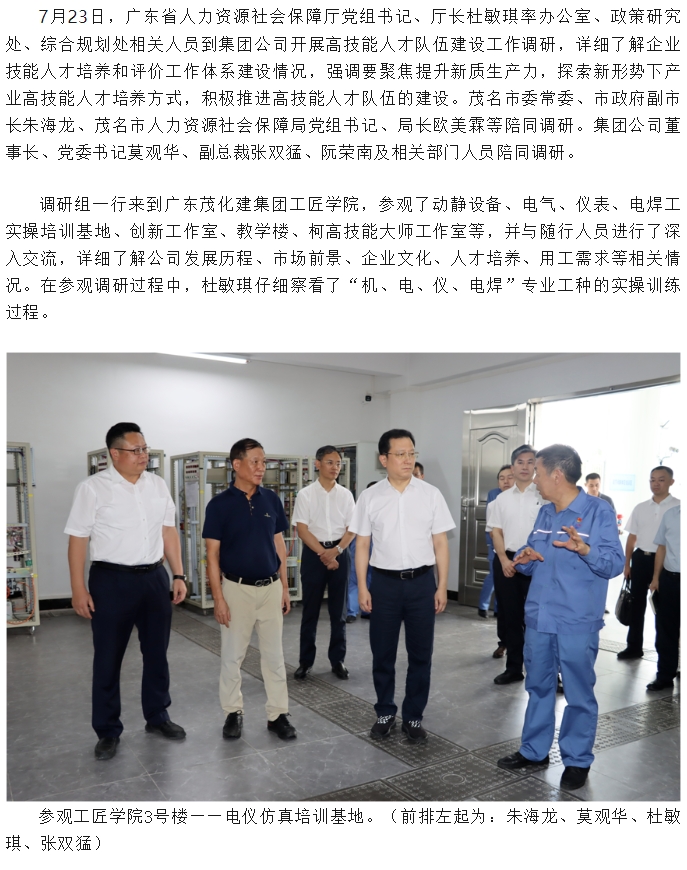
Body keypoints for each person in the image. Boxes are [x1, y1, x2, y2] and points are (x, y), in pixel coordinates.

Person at [497, 444, 624, 791]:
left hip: (576, 620)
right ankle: (534, 751)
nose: (534, 478)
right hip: (540, 616)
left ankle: (577, 760)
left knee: (579, 693)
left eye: (538, 472)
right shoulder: (545, 513)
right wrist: (527, 559)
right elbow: (538, 558)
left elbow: (614, 564)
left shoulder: (597, 512)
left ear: (556, 474)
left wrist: (584, 549)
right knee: (538, 686)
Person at [65, 422, 187, 761]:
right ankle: (107, 729)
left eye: (145, 449)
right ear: (114, 453)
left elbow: (168, 532)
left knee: (157, 653)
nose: (143, 455)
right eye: (136, 450)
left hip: (154, 578)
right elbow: (78, 541)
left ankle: (158, 715)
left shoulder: (157, 485)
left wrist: (178, 574)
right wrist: (78, 588)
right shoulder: (92, 488)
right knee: (108, 657)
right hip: (111, 581)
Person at [349, 429, 455, 743]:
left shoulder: (430, 494)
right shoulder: (370, 497)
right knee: (382, 653)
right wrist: (363, 587)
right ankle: (385, 712)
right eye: (400, 454)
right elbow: (362, 545)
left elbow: (440, 543)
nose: (408, 460)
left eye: (411, 453)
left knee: (421, 655)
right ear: (384, 459)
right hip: (384, 585)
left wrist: (442, 585)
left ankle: (413, 716)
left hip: (422, 584)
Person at [202, 438, 296, 741]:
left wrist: (284, 587)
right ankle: (233, 712)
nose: (261, 467)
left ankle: (278, 715)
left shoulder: (271, 500)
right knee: (233, 656)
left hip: (270, 588)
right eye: (255, 461)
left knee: (274, 656)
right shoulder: (219, 505)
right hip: (236, 590)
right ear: (236, 464)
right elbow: (212, 556)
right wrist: (218, 598)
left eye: (263, 461)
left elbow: (279, 544)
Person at [291, 446, 355, 678]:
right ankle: (305, 661)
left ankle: (338, 660)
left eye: (338, 463)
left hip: (340, 552)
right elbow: (302, 530)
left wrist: (336, 551)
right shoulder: (306, 494)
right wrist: (324, 555)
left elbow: (352, 529)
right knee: (310, 611)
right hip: (314, 554)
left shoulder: (346, 495)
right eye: (330, 462)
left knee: (339, 612)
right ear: (317, 464)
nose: (335, 467)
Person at [487, 445, 546, 684]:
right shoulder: (500, 500)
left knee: (539, 619)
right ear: (512, 467)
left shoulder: (544, 496)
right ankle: (513, 668)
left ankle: (547, 673)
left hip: (537, 562)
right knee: (510, 617)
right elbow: (496, 532)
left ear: (536, 466)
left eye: (530, 462)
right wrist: (503, 560)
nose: (525, 466)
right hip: (508, 563)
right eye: (520, 462)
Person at [617, 466, 679, 660]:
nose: (656, 484)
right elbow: (631, 537)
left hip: (666, 562)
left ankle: (668, 656)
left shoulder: (678, 508)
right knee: (636, 605)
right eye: (652, 480)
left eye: (661, 479)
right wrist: (627, 564)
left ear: (671, 482)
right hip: (641, 559)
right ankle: (633, 647)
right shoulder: (641, 507)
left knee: (664, 610)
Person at [647, 504, 680, 691]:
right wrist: (656, 577)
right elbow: (662, 547)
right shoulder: (671, 514)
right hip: (670, 579)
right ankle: (665, 676)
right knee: (665, 629)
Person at [479, 465, 515, 633]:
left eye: (509, 477)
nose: (506, 481)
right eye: (502, 478)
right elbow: (491, 524)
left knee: (506, 580)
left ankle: (498, 609)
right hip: (495, 543)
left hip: (514, 546)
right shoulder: (494, 495)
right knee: (495, 576)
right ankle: (483, 605)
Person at [346, 483, 377, 623]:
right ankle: (351, 611)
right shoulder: (359, 508)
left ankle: (367, 610)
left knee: (371, 578)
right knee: (355, 578)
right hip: (359, 545)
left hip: (377, 547)